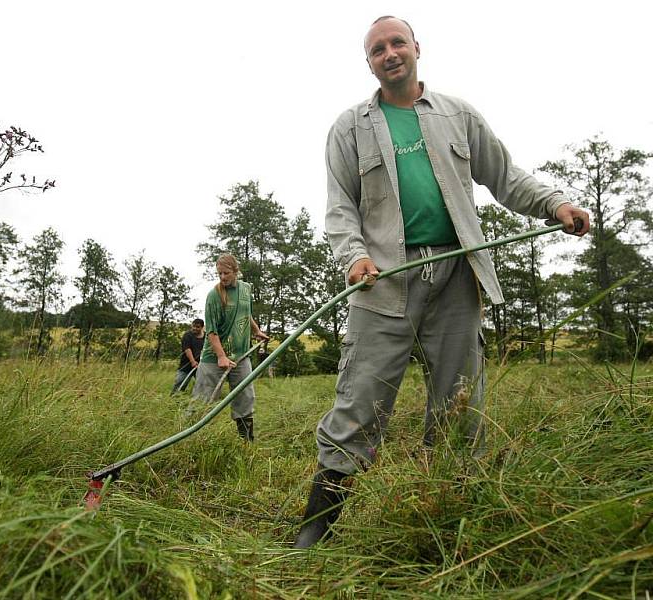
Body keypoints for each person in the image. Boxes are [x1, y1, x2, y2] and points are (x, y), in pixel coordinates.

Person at [293, 15, 590, 549]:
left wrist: (556, 203)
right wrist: (354, 258)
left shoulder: (457, 114)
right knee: (359, 401)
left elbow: (506, 176)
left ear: (416, 49)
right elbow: (339, 210)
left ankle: (450, 526)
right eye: (377, 48)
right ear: (369, 62)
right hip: (382, 281)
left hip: (458, 275)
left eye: (397, 43)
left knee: (458, 405)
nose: (389, 54)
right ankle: (315, 531)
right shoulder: (349, 127)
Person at [192, 254, 269, 441]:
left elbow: (246, 312)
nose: (222, 277)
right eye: (219, 273)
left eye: (226, 273)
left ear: (236, 271)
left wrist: (256, 330)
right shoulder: (214, 295)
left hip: (241, 356)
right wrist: (221, 356)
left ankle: (246, 442)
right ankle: (193, 439)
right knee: (202, 401)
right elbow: (211, 331)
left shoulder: (245, 289)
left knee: (245, 398)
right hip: (214, 358)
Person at [171, 318, 205, 394]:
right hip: (186, 365)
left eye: (197, 327)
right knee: (180, 384)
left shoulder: (206, 337)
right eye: (193, 326)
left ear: (202, 327)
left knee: (202, 385)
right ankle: (173, 399)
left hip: (200, 366)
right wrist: (193, 361)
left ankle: (199, 401)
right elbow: (187, 349)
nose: (194, 328)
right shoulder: (187, 335)